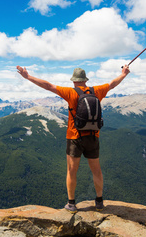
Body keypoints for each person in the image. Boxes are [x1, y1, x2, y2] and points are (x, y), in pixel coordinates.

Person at [16, 65, 130, 213]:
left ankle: (71, 204)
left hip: (74, 137)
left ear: (74, 81)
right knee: (96, 170)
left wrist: (28, 77)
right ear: (85, 80)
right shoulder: (97, 91)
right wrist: (124, 74)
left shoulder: (70, 92)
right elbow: (112, 84)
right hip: (93, 136)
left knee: (71, 171)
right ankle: (100, 201)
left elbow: (48, 86)